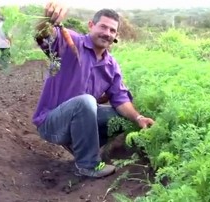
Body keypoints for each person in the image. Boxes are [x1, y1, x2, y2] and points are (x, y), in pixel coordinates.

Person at [33, 1, 155, 178]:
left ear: (116, 35)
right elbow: (44, 34)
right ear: (91, 25)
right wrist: (47, 19)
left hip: (79, 122)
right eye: (103, 27)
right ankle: (88, 165)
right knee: (86, 101)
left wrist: (139, 118)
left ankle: (82, 148)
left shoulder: (111, 66)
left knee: (122, 119)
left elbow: (121, 99)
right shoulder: (71, 42)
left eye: (112, 30)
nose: (107, 33)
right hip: (51, 123)